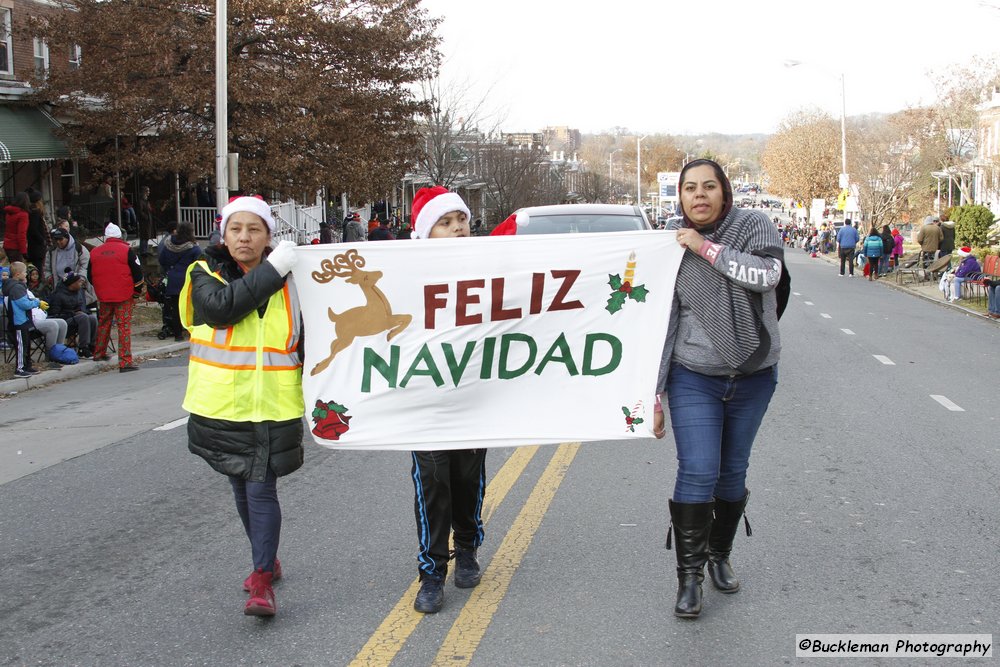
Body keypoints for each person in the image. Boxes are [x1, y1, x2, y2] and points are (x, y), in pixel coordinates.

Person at [652, 159, 782, 620]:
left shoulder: (753, 226)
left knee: (732, 474)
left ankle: (718, 556)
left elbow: (767, 276)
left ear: (724, 193)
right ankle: (688, 579)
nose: (699, 195)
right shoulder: (668, 244)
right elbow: (662, 321)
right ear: (680, 196)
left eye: (709, 187)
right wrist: (653, 392)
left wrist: (706, 248)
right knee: (698, 470)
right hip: (694, 375)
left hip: (753, 375)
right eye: (690, 188)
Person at [179, 195, 302, 617]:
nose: (244, 237)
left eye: (254, 229)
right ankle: (265, 559)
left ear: (269, 236)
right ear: (222, 233)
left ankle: (262, 581)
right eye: (236, 229)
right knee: (240, 485)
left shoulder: (294, 279)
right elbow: (221, 309)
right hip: (220, 406)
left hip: (273, 405)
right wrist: (274, 269)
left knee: (260, 488)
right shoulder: (203, 271)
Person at [407, 185, 486, 614]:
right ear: (426, 232)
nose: (457, 229)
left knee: (466, 478)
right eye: (446, 222)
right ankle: (432, 571)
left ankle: (468, 546)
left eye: (462, 222)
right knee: (433, 482)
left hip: (473, 395)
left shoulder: (489, 270)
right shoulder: (404, 275)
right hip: (426, 399)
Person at [88, 223, 144, 372]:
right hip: (124, 295)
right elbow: (138, 274)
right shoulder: (127, 251)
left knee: (104, 323)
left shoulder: (94, 252)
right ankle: (125, 361)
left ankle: (99, 353)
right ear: (120, 236)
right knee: (123, 326)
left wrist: (100, 289)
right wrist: (136, 293)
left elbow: (89, 275)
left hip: (104, 296)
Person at [158, 222, 202, 340]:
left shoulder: (168, 245)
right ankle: (192, 331)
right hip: (188, 281)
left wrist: (170, 270)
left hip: (172, 280)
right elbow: (200, 263)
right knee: (191, 307)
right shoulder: (193, 248)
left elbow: (162, 260)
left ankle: (178, 334)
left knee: (175, 308)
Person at [2, 262, 43, 377]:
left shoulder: (17, 286)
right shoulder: (16, 288)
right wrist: (36, 302)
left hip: (23, 320)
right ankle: (19, 369)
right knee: (21, 346)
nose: (26, 274)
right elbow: (24, 304)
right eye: (25, 272)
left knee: (26, 344)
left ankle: (27, 365)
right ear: (18, 274)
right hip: (18, 321)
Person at [47, 272, 98, 358]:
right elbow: (54, 314)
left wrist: (81, 311)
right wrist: (73, 314)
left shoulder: (79, 292)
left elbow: (82, 307)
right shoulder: (58, 295)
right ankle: (83, 348)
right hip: (65, 322)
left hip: (78, 320)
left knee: (92, 318)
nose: (81, 283)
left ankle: (92, 345)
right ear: (72, 284)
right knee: (83, 317)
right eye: (79, 281)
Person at [44, 227, 93, 300]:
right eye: (56, 239)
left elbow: (85, 267)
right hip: (59, 287)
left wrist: (80, 280)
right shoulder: (51, 252)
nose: (58, 242)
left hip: (78, 287)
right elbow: (47, 269)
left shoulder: (80, 249)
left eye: (61, 239)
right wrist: (49, 278)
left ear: (67, 238)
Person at [25, 189, 49, 273]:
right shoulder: (35, 212)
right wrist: (42, 240)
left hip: (35, 246)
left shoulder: (32, 212)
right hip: (37, 247)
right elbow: (33, 229)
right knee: (38, 268)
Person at [3, 192, 30, 263]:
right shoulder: (23, 215)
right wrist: (24, 251)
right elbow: (21, 234)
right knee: (18, 271)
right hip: (16, 246)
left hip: (7, 244)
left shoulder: (9, 212)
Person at [136, 186, 155, 256]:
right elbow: (140, 211)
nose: (149, 193)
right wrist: (145, 217)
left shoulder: (146, 201)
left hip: (148, 221)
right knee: (144, 236)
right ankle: (143, 251)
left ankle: (145, 250)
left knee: (146, 236)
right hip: (144, 221)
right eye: (147, 191)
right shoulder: (141, 201)